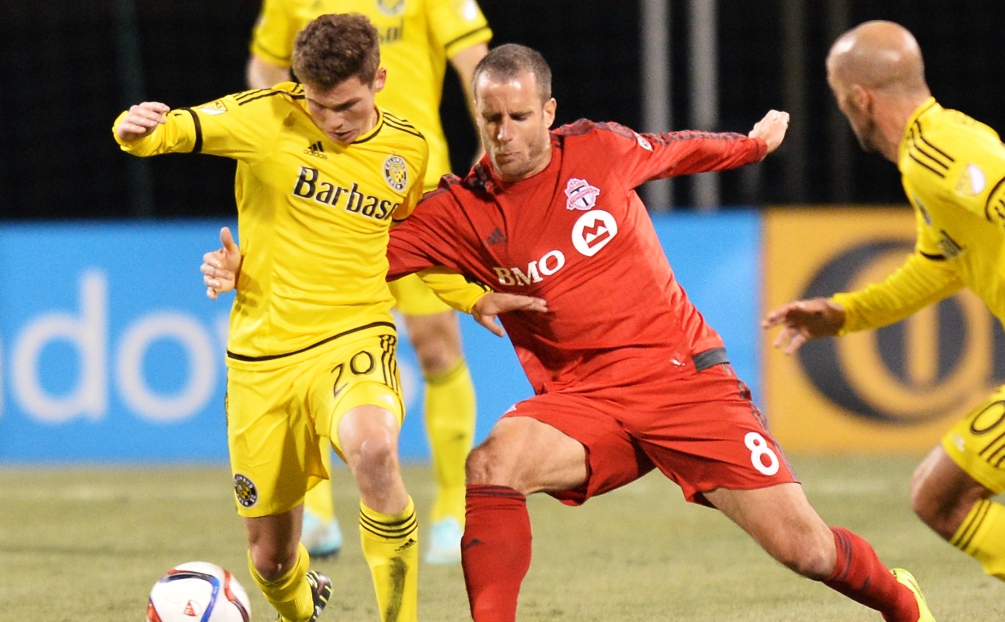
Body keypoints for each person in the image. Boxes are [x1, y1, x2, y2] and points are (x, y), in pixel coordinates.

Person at [206, 42, 936, 621]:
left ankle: (898, 600)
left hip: (683, 379)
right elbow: (354, 259)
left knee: (804, 549)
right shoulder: (455, 211)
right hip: (584, 401)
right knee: (490, 467)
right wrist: (252, 269)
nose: (504, 133)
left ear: (547, 112)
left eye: (520, 117)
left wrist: (749, 146)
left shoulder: (599, 150)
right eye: (490, 118)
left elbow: (678, 148)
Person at [115, 14, 540, 622]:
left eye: (345, 104)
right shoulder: (264, 117)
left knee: (373, 451)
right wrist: (133, 128)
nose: (332, 119)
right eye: (317, 105)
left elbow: (412, 247)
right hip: (263, 359)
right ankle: (304, 610)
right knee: (269, 561)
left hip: (355, 335)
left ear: (379, 80)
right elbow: (172, 131)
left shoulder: (407, 149)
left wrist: (471, 295)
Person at [245, 0, 493, 564]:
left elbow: (473, 60)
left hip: (412, 191)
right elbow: (264, 68)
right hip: (323, 195)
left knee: (436, 345)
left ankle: (453, 510)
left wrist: (485, 144)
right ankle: (319, 515)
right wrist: (277, 141)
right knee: (308, 351)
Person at [764, 20, 1005, 586]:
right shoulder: (933, 158)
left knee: (941, 497)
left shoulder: (938, 153)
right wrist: (847, 314)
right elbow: (934, 268)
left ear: (857, 99)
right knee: (939, 496)